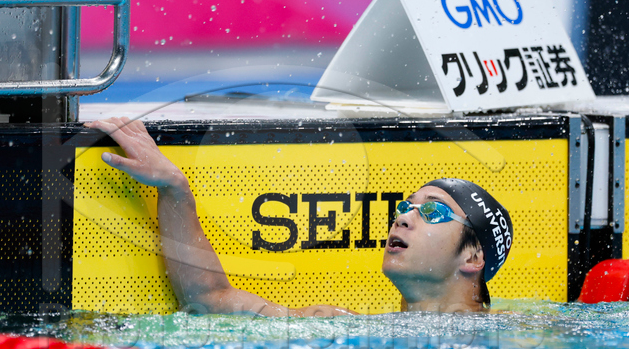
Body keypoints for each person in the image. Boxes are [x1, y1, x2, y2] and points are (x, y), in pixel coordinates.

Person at [84, 117, 513, 316]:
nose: (402, 218)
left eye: (433, 210)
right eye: (405, 206)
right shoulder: (344, 328)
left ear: (474, 256)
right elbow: (209, 299)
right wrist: (174, 189)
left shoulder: (514, 334)